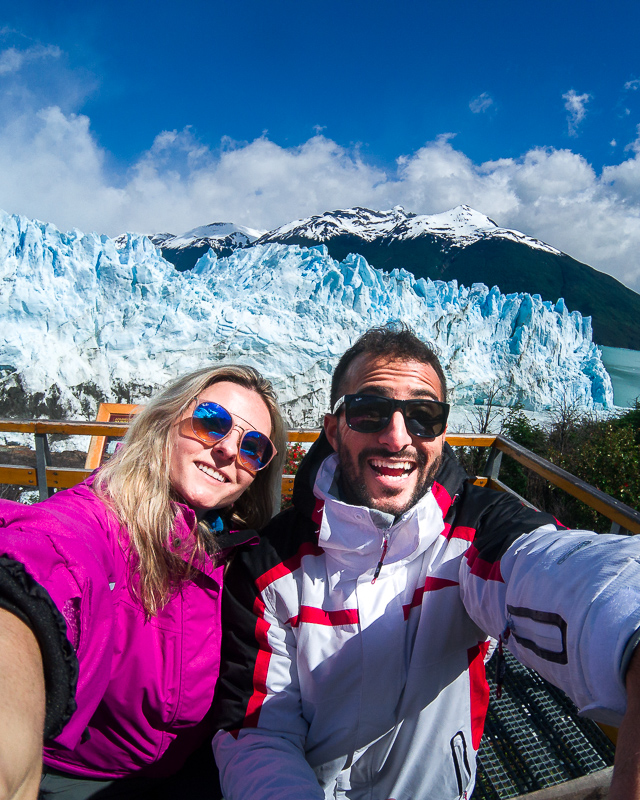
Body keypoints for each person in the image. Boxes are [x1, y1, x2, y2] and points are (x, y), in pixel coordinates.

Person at [211, 326, 640, 800]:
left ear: (441, 433)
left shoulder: (474, 533)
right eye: (370, 412)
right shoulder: (269, 565)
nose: (397, 438)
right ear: (334, 430)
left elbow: (568, 573)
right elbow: (258, 731)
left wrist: (633, 629)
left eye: (423, 416)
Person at [0, 364, 287, 800]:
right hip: (77, 780)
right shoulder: (99, 526)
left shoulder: (238, 552)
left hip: (191, 771)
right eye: (212, 422)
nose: (228, 450)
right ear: (164, 422)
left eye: (252, 448)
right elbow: (43, 570)